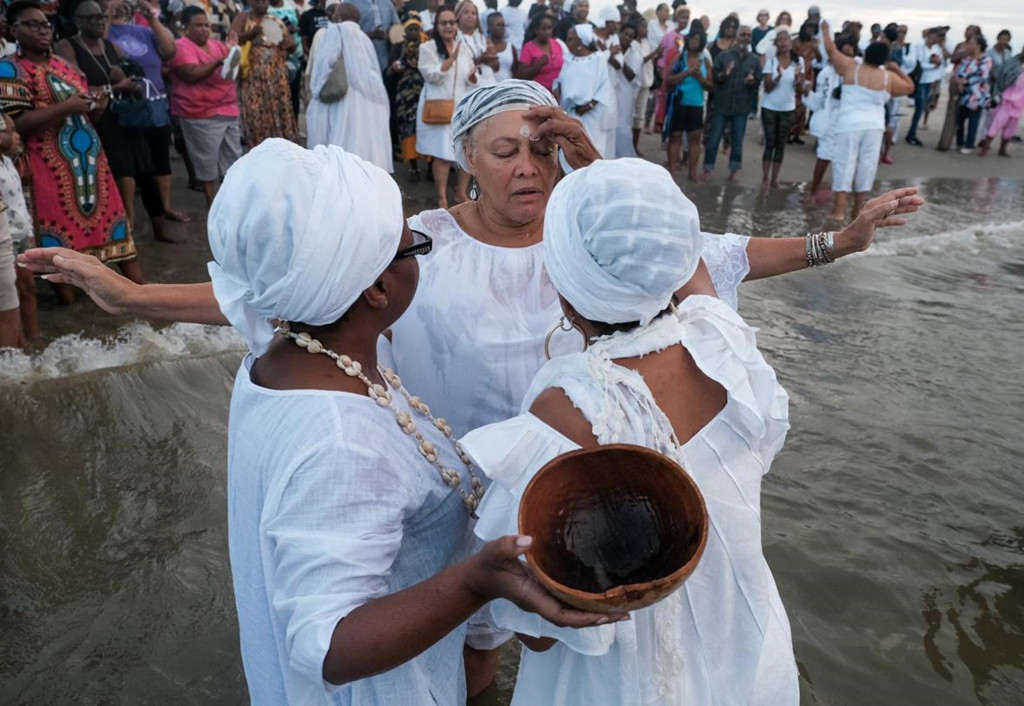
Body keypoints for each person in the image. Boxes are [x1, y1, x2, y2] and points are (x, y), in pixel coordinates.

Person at [464, 158, 920, 706]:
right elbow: (680, 255)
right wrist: (600, 170)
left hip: (611, 688)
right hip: (750, 660)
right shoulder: (723, 343)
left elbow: (537, 633)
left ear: (561, 287)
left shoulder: (557, 417)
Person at [199, 138, 619, 703]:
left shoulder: (279, 360)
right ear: (376, 288)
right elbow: (326, 646)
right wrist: (477, 582)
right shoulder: (343, 442)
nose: (421, 254)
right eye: (412, 248)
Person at [1, 0, 142, 298]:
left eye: (45, 25)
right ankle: (69, 300)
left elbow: (87, 113)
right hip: (47, 168)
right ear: (14, 30)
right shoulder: (10, 68)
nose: (42, 30)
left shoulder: (65, 67)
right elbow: (18, 123)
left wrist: (98, 107)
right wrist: (66, 107)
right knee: (58, 239)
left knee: (113, 228)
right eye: (32, 24)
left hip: (91, 164)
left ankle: (141, 295)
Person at [55, 2, 166, 244]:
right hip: (98, 120)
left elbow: (134, 80)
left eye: (100, 17)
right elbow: (73, 88)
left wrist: (127, 81)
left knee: (146, 170)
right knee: (122, 168)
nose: (98, 21)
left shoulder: (112, 47)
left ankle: (159, 227)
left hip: (127, 115)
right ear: (78, 21)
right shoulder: (68, 46)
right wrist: (115, 86)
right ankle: (127, 222)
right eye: (91, 17)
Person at [105, 0, 189, 230]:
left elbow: (170, 50)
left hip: (155, 102)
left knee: (160, 156)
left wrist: (151, 18)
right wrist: (108, 17)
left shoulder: (142, 30)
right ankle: (128, 214)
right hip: (126, 105)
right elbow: (102, 51)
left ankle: (165, 207)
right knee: (129, 163)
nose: (121, 5)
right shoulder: (101, 30)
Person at [823, 25, 913, 222]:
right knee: (867, 166)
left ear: (864, 55)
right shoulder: (888, 77)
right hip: (873, 126)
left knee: (844, 165)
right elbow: (909, 87)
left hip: (849, 125)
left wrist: (825, 29)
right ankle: (857, 212)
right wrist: (896, 68)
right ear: (884, 60)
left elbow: (831, 49)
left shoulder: (851, 67)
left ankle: (839, 211)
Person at [167, 6, 243, 206]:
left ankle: (231, 199)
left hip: (227, 108)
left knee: (233, 157)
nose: (204, 29)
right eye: (198, 25)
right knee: (206, 159)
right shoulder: (180, 46)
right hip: (200, 112)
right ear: (185, 28)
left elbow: (232, 68)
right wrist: (219, 62)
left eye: (206, 25)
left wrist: (233, 51)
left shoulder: (216, 45)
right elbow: (191, 75)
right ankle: (211, 201)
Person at [307, 4, 392, 172]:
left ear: (339, 17)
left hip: (341, 102)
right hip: (368, 105)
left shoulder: (335, 30)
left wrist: (315, 90)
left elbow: (325, 64)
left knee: (339, 156)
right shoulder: (365, 38)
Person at [416, 6, 476, 208]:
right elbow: (429, 75)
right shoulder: (428, 48)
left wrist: (473, 76)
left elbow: (468, 78)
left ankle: (461, 192)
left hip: (461, 107)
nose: (449, 26)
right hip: (439, 107)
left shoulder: (464, 47)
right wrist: (450, 60)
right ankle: (442, 198)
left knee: (465, 151)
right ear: (437, 25)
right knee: (442, 155)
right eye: (444, 22)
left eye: (452, 22)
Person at [230, 0, 298, 146]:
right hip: (253, 77)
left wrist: (290, 46)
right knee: (256, 111)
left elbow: (290, 43)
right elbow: (232, 39)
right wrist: (250, 33)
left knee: (278, 110)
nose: (262, 3)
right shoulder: (244, 17)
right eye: (258, 0)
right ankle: (258, 147)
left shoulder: (274, 19)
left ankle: (280, 147)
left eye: (265, 0)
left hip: (276, 77)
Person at [702, 24, 759, 180]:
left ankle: (734, 170)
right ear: (737, 37)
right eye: (743, 35)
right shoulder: (724, 57)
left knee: (737, 141)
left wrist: (751, 82)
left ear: (751, 39)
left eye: (748, 35)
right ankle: (707, 169)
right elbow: (714, 79)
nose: (745, 38)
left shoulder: (754, 60)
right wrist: (724, 74)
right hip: (722, 104)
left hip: (741, 107)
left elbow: (757, 84)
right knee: (713, 139)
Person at [555, 24, 615, 159]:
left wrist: (589, 105)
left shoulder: (598, 58)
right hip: (571, 113)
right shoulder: (568, 60)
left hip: (591, 114)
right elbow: (561, 82)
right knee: (569, 154)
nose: (567, 42)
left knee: (592, 151)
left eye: (570, 39)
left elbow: (604, 86)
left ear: (580, 41)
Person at [806, 34, 853, 200]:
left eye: (849, 54)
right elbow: (819, 101)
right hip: (828, 120)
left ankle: (840, 196)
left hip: (850, 123)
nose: (846, 58)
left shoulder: (856, 72)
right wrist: (806, 94)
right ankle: (813, 192)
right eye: (843, 54)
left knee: (845, 161)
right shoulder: (826, 73)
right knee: (824, 156)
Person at [664, 24, 712, 181]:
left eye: (698, 39)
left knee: (694, 138)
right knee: (675, 136)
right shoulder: (679, 58)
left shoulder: (704, 61)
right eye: (692, 38)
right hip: (679, 102)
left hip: (696, 104)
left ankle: (692, 172)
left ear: (702, 42)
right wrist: (686, 73)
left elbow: (711, 86)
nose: (694, 41)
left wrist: (699, 77)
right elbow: (668, 80)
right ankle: (672, 170)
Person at [0, 115, 31, 347]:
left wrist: (30, 232)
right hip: (7, 235)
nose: (15, 135)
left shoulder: (9, 164)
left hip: (18, 236)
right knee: (10, 288)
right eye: (10, 131)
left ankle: (29, 341)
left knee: (21, 288)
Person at [760, 28, 805, 188]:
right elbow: (767, 87)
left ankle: (774, 179)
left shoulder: (798, 62)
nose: (783, 42)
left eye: (786, 39)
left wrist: (798, 78)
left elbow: (799, 90)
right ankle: (765, 178)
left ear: (791, 43)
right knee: (769, 142)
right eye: (780, 40)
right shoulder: (771, 62)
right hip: (769, 107)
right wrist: (778, 76)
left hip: (788, 108)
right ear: (776, 44)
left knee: (781, 144)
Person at [386, 15, 426, 180]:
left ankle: (430, 168)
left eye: (416, 29)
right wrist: (397, 66)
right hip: (404, 95)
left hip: (424, 93)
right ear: (405, 31)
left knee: (426, 129)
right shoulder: (397, 47)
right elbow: (388, 71)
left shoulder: (426, 47)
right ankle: (413, 167)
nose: (414, 32)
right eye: (410, 29)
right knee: (407, 129)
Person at [905, 26, 948, 146]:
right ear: (929, 35)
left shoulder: (936, 48)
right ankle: (911, 133)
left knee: (922, 107)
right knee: (920, 107)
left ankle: (912, 132)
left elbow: (943, 63)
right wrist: (933, 65)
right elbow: (917, 64)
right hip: (920, 79)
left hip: (930, 80)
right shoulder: (917, 46)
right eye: (936, 36)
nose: (937, 39)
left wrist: (936, 65)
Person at [980, 45, 1024, 157]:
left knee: (1010, 129)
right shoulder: (1013, 62)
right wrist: (997, 92)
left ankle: (1002, 149)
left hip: (1019, 104)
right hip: (1007, 100)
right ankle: (985, 148)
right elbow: (1001, 76)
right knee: (996, 124)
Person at [952, 34, 993, 154]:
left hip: (977, 95)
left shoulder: (986, 59)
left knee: (973, 120)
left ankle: (969, 145)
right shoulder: (967, 59)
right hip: (964, 93)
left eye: (971, 43)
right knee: (960, 119)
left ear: (978, 45)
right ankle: (959, 142)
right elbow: (960, 71)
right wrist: (959, 81)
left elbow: (982, 75)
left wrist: (965, 81)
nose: (968, 45)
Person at [609, 21, 641, 159]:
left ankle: (625, 157)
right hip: (610, 89)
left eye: (630, 36)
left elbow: (630, 75)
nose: (626, 38)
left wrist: (620, 58)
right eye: (625, 34)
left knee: (622, 125)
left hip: (625, 93)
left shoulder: (635, 54)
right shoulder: (611, 47)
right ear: (620, 33)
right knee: (610, 123)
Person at [631, 15, 659, 155]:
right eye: (643, 27)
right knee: (630, 115)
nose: (646, 30)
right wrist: (655, 53)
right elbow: (639, 61)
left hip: (645, 83)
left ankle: (635, 146)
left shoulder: (646, 43)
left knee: (640, 116)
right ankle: (628, 146)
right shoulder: (632, 44)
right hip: (633, 85)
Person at [516, 12, 563, 91]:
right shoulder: (528, 47)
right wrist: (538, 65)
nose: (547, 31)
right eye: (544, 29)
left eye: (550, 28)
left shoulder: (557, 44)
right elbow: (521, 75)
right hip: (538, 93)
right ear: (536, 30)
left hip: (557, 94)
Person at [348, 0, 398, 69]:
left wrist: (391, 34)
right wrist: (371, 35)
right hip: (362, 60)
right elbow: (348, 35)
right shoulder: (350, 3)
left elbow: (397, 27)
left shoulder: (387, 2)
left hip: (387, 61)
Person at [486, 11, 517, 81]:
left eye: (503, 25)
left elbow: (515, 72)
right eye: (498, 25)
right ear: (489, 27)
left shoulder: (511, 48)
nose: (502, 28)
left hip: (507, 88)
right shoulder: (483, 46)